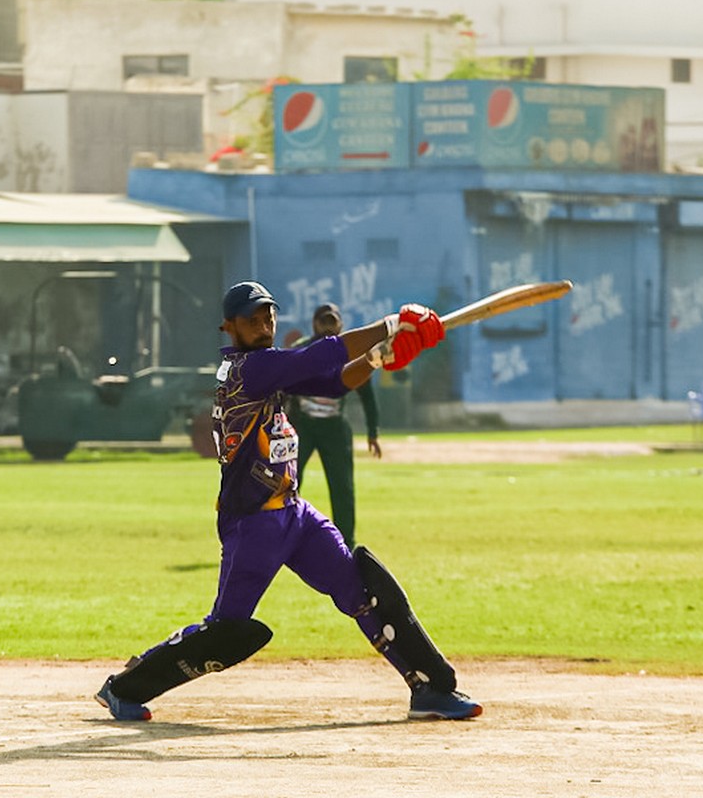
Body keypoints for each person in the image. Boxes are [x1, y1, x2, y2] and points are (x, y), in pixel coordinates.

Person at [95, 281, 481, 722]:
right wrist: (390, 325)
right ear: (229, 327)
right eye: (252, 321)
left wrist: (376, 358)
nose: (264, 327)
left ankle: (427, 687)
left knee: (361, 592)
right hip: (253, 525)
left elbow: (332, 383)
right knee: (225, 629)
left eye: (269, 318)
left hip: (294, 515)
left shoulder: (267, 368)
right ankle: (124, 688)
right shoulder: (247, 370)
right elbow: (317, 357)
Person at [288, 302, 380, 549]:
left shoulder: (349, 353)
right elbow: (282, 386)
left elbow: (367, 395)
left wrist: (373, 431)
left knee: (342, 486)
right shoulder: (301, 350)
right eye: (323, 322)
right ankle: (284, 535)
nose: (328, 328)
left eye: (332, 322)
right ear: (314, 324)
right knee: (288, 483)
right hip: (302, 426)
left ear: (340, 325)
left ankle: (346, 544)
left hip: (334, 427)